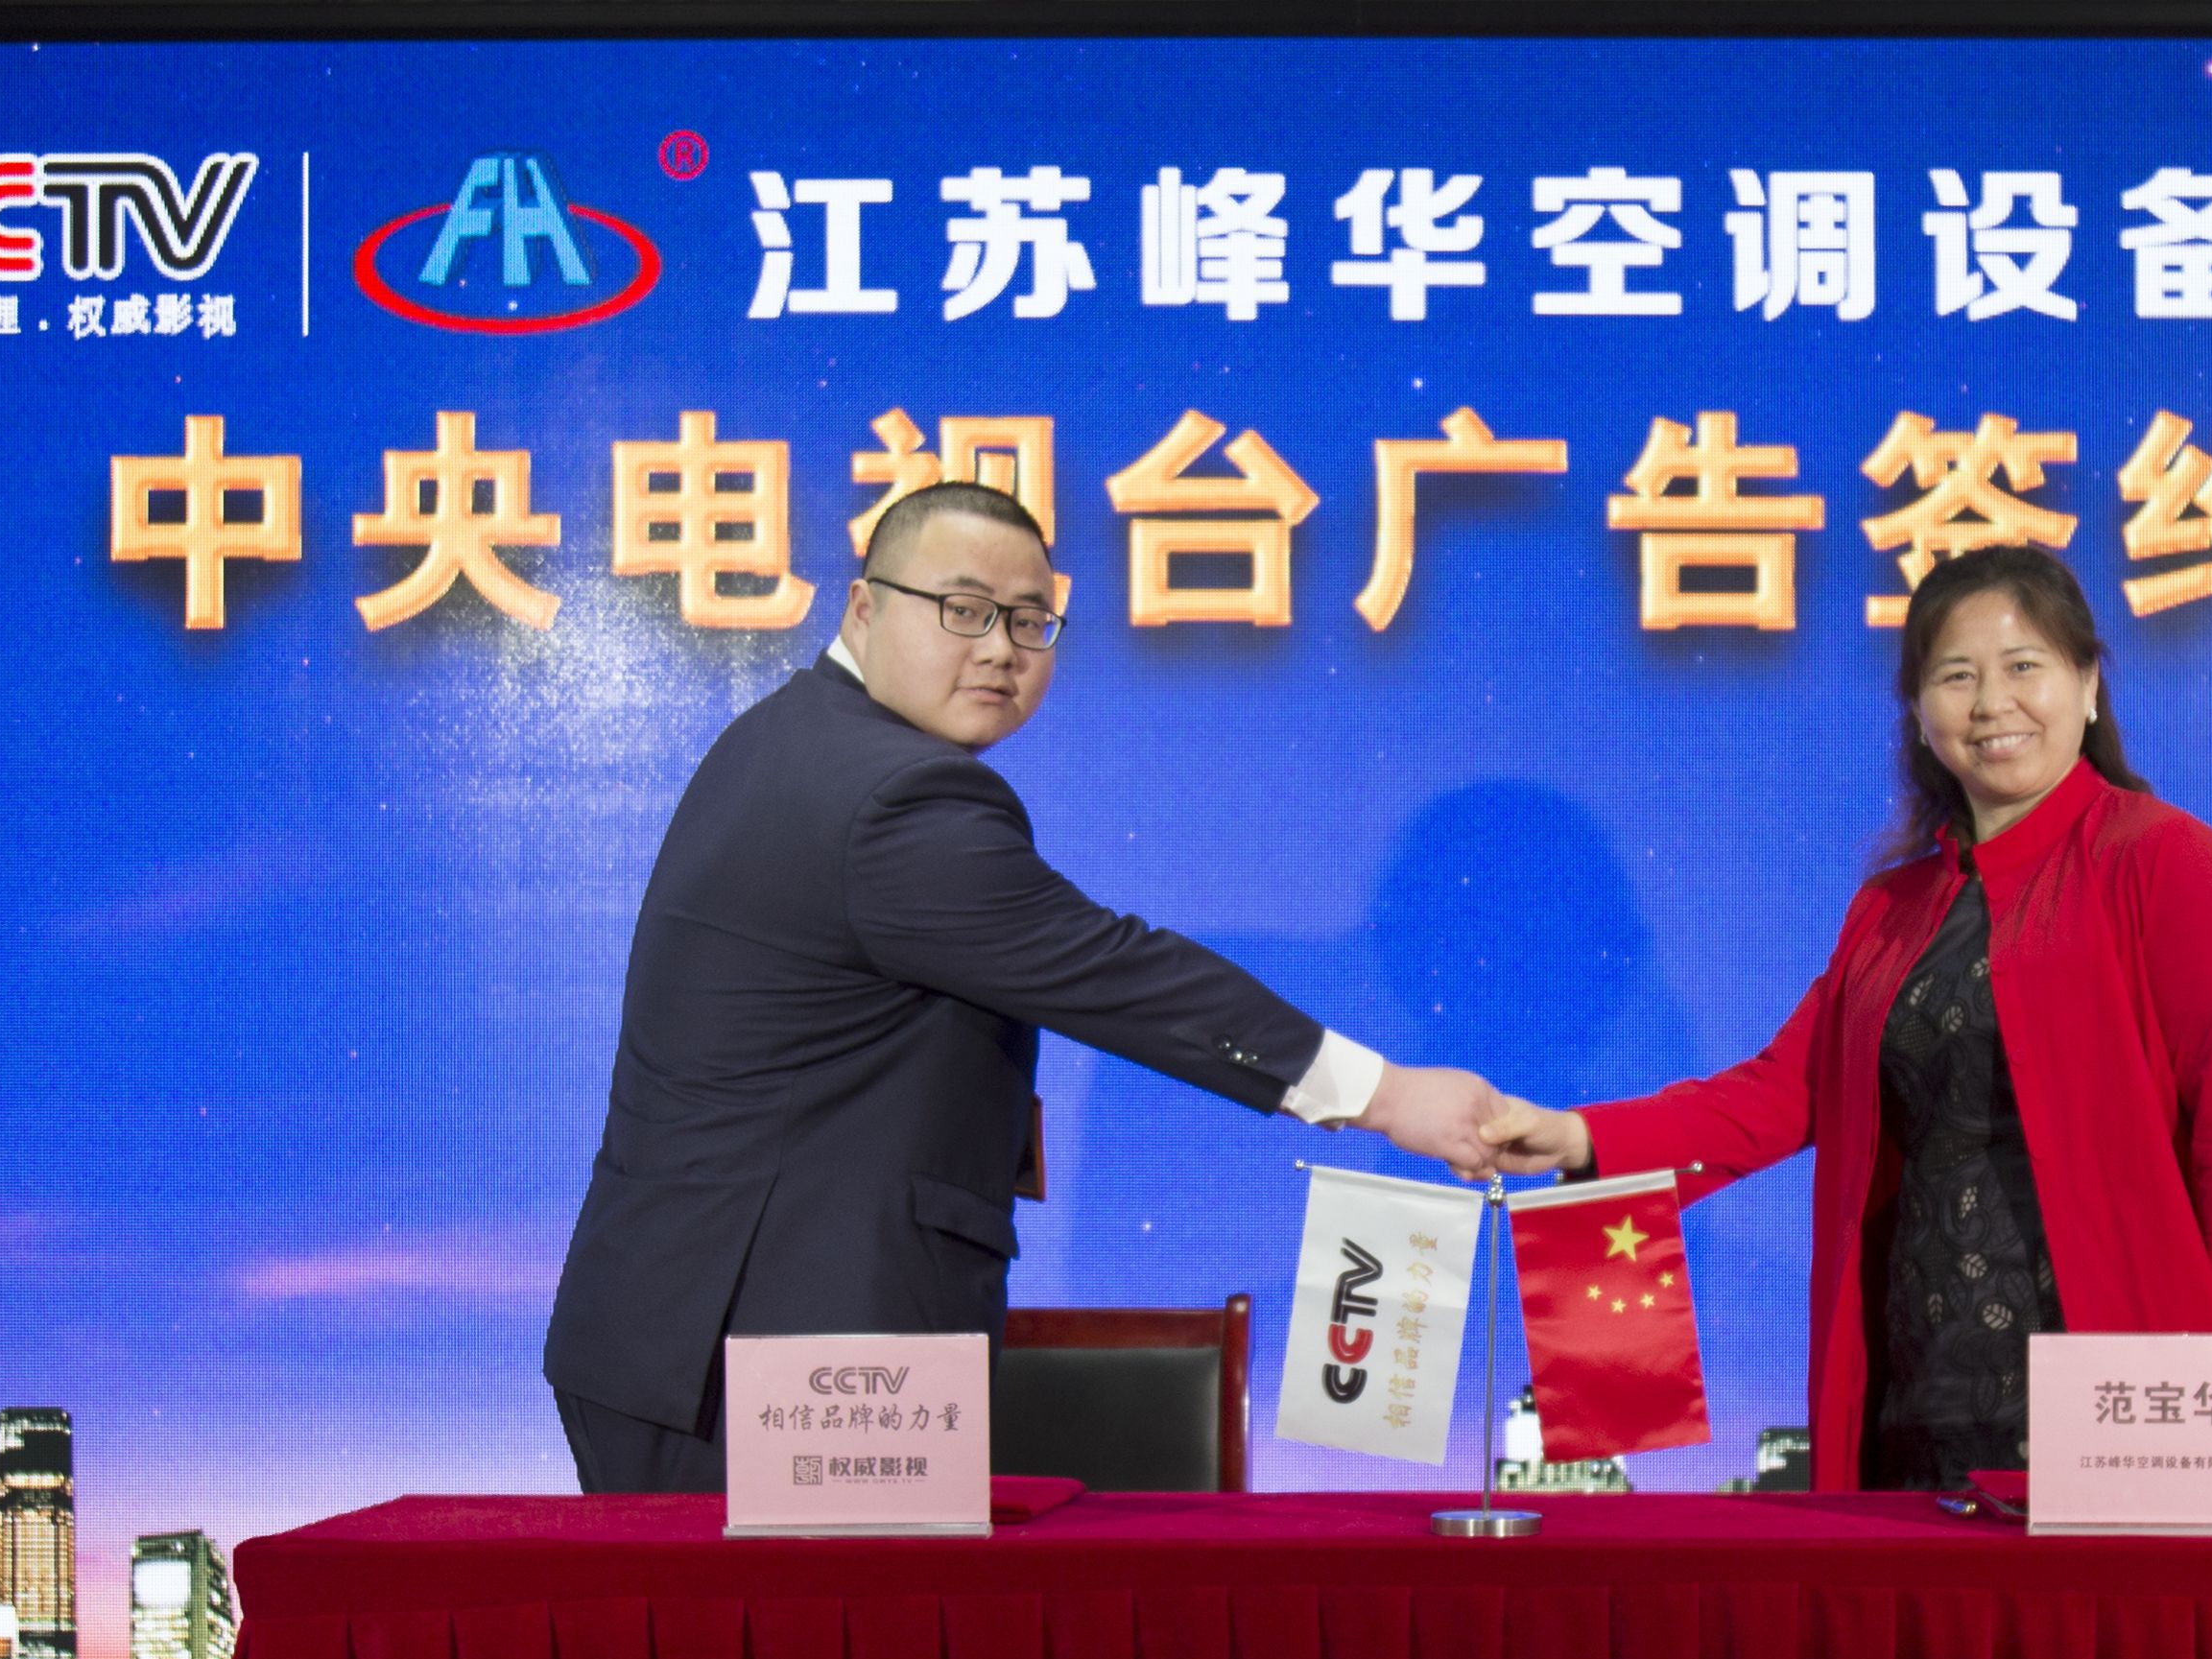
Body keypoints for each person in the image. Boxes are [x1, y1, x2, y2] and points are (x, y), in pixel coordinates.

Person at [546, 481, 1504, 1493]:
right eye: (962, 610)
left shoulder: (793, 737)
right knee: (813, 1607)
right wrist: (1387, 1097)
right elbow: (1115, 971)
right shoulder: (895, 796)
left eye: (1029, 621)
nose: (1000, 649)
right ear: (864, 608)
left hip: (688, 1329)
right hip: (769, 1353)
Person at [1478, 544, 2212, 1490]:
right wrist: (1578, 1136)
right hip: (1915, 1390)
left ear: (2088, 685)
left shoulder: (2165, 863)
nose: (1991, 703)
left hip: (2122, 1395)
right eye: (1955, 676)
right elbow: (1779, 1093)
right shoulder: (1889, 910)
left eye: (2023, 667)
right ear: (1919, 715)